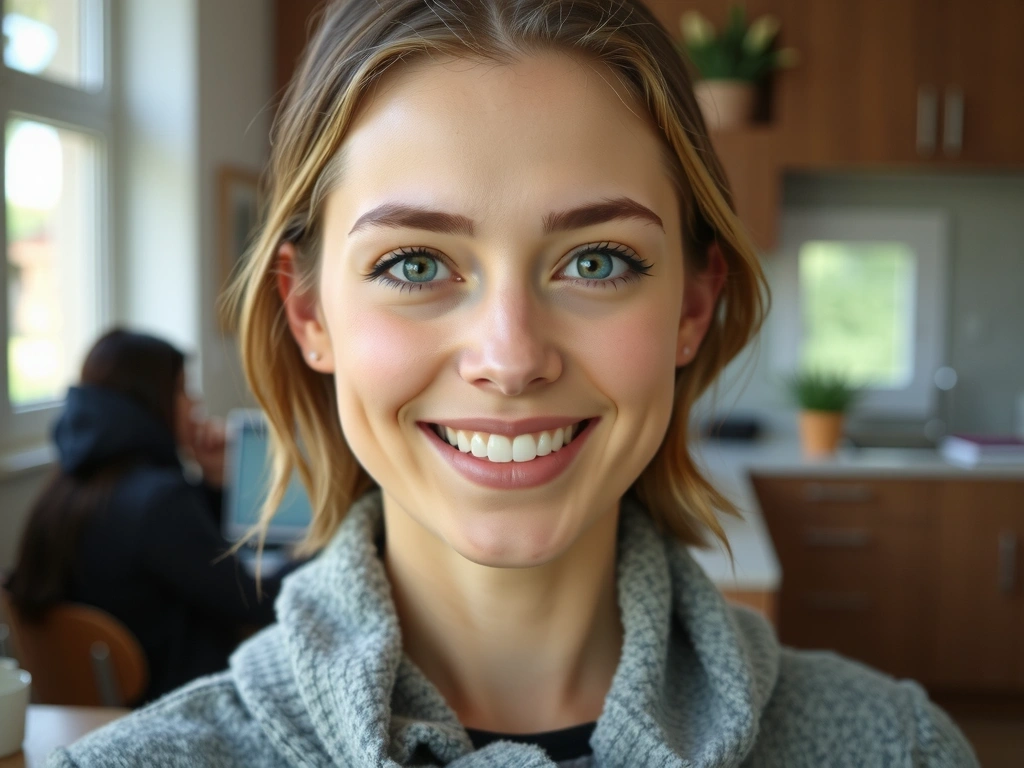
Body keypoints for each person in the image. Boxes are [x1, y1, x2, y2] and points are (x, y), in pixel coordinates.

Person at [49, 1, 977, 765]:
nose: (511, 355)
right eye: (415, 264)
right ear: (310, 315)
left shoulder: (899, 749)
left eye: (598, 261)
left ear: (693, 308)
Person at [6, 328, 296, 705]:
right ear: (151, 399)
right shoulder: (158, 501)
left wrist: (210, 481)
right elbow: (254, 602)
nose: (194, 403)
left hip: (83, 711)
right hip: (172, 707)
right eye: (182, 390)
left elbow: (192, 559)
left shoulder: (66, 488)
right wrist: (318, 557)